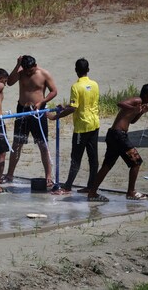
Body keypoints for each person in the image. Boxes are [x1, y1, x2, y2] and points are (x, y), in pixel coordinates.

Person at [86, 84, 148, 202]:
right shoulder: (137, 100)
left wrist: (141, 112)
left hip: (114, 135)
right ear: (146, 95)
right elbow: (119, 103)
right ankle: (131, 192)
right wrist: (133, 108)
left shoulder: (140, 104)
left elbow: (132, 120)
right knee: (136, 162)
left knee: (107, 165)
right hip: (119, 136)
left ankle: (92, 193)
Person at [2, 55, 58, 189]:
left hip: (38, 112)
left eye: (31, 71)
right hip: (22, 110)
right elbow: (9, 82)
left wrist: (42, 102)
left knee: (42, 145)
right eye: (26, 70)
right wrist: (17, 65)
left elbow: (54, 91)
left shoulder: (44, 74)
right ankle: (10, 174)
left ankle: (48, 176)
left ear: (35, 65)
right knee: (17, 144)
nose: (29, 73)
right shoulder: (20, 73)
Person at [47, 58, 99, 195]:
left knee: (76, 157)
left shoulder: (76, 87)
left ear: (76, 70)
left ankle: (68, 186)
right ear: (88, 70)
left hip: (82, 127)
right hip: (95, 124)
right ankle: (91, 186)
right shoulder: (94, 84)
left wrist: (55, 117)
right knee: (93, 158)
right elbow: (83, 104)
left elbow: (74, 108)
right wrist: (65, 107)